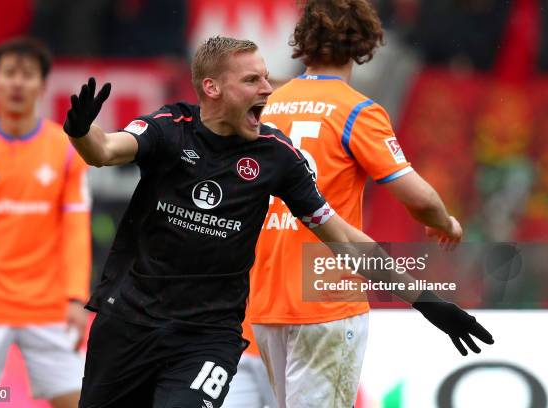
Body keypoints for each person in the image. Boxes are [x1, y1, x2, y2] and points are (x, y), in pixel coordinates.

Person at [63, 36, 492, 408]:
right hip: (128, 324)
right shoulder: (168, 128)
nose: (268, 89)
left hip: (207, 336)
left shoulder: (276, 155)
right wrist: (82, 131)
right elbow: (104, 151)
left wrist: (428, 302)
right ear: (211, 88)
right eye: (252, 81)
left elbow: (342, 237)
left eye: (266, 77)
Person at [249, 1, 479, 407]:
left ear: (303, 40)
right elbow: (419, 198)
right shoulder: (356, 110)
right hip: (326, 301)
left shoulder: (268, 106)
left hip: (265, 301)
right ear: (363, 44)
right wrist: (445, 222)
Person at [0, 38, 91, 408]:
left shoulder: (66, 149)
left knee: (77, 401)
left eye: (28, 75)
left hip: (47, 306)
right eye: (9, 73)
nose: (18, 83)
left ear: (42, 85)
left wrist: (75, 298)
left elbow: (76, 229)